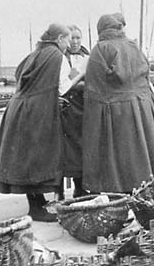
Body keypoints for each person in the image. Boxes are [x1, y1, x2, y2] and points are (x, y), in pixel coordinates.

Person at [0, 23, 85, 221]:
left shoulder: (36, 53)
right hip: (35, 111)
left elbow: (19, 74)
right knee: (37, 157)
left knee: (28, 157)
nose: (68, 45)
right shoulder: (56, 56)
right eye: (67, 40)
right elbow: (62, 87)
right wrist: (79, 73)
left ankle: (38, 203)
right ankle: (36, 210)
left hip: (20, 108)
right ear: (59, 39)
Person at [82, 14, 154, 193]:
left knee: (120, 153)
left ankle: (121, 189)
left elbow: (94, 87)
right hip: (142, 105)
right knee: (142, 150)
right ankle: (148, 187)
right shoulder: (133, 45)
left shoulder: (101, 48)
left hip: (117, 110)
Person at [59, 25, 90, 199]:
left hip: (83, 107)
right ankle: (59, 192)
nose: (76, 42)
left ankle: (80, 187)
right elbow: (64, 83)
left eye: (79, 38)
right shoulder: (61, 57)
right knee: (64, 150)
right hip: (66, 106)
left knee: (81, 146)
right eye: (73, 38)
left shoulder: (87, 56)